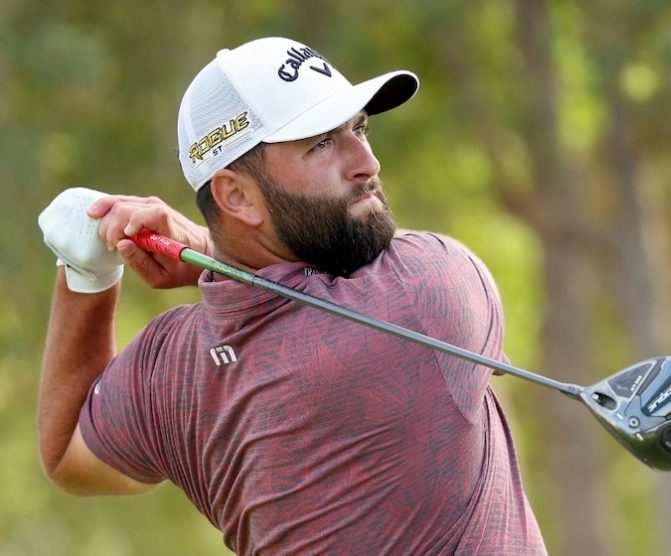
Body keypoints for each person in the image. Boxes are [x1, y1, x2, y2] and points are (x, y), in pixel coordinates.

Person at [37, 37, 547, 555]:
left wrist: (86, 272)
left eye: (359, 129)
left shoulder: (170, 373)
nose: (366, 162)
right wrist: (206, 249)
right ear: (235, 195)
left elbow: (66, 457)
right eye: (321, 143)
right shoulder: (430, 291)